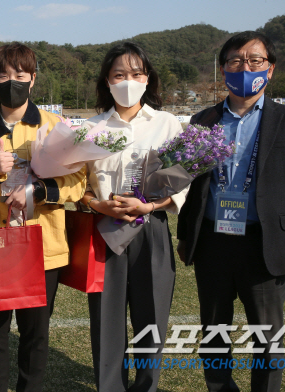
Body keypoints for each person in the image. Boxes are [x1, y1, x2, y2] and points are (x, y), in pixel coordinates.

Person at [176, 31, 285, 392]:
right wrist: (185, 236)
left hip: (264, 242)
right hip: (212, 241)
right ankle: (220, 387)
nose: (245, 67)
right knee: (214, 330)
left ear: (269, 70)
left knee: (268, 337)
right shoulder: (202, 120)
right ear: (223, 69)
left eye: (255, 60)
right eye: (236, 61)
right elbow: (190, 185)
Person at [0, 42, 86, 392]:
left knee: (35, 335)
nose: (11, 81)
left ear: (33, 79)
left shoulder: (56, 125)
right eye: (2, 75)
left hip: (42, 248)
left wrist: (40, 191)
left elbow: (78, 181)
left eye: (19, 74)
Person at [78, 42, 188, 392]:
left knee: (151, 318)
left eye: (136, 73)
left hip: (151, 229)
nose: (128, 80)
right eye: (119, 74)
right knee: (107, 320)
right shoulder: (89, 128)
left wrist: (151, 206)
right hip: (104, 232)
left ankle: (146, 387)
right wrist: (99, 206)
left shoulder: (168, 123)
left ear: (148, 78)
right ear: (107, 81)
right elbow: (76, 187)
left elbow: (185, 181)